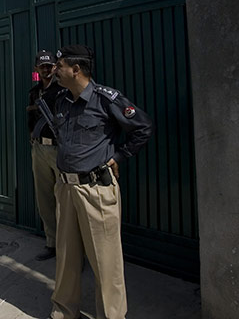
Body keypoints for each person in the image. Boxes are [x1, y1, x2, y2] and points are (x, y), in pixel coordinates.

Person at [49, 45, 153, 319]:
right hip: (66, 188)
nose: (55, 70)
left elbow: (142, 127)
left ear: (76, 69)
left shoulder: (105, 99)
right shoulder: (61, 100)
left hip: (96, 190)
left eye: (60, 65)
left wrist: (120, 155)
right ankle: (63, 311)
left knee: (106, 264)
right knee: (66, 259)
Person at [27, 49, 64, 261]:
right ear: (37, 69)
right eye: (42, 66)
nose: (46, 70)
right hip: (39, 149)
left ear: (55, 67)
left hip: (59, 149)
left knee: (65, 201)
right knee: (45, 199)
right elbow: (31, 119)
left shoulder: (62, 90)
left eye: (49, 66)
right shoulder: (34, 92)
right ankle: (52, 243)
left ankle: (70, 249)